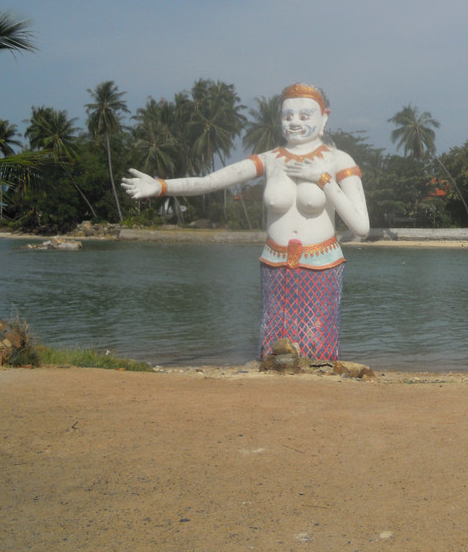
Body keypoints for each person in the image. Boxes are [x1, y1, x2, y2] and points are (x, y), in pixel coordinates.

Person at [122, 83, 369, 360]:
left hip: (322, 265)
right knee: (274, 347)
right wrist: (161, 186)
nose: (295, 123)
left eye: (304, 116)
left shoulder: (338, 160)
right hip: (274, 265)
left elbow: (361, 227)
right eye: (287, 116)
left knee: (317, 346)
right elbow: (211, 181)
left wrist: (322, 179)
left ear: (324, 118)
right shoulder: (270, 160)